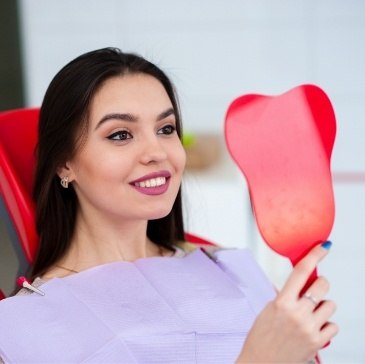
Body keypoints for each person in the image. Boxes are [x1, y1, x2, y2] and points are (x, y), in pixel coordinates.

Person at [0, 47, 338, 363]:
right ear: (64, 163)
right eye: (120, 134)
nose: (158, 153)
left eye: (166, 128)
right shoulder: (26, 326)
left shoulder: (229, 268)